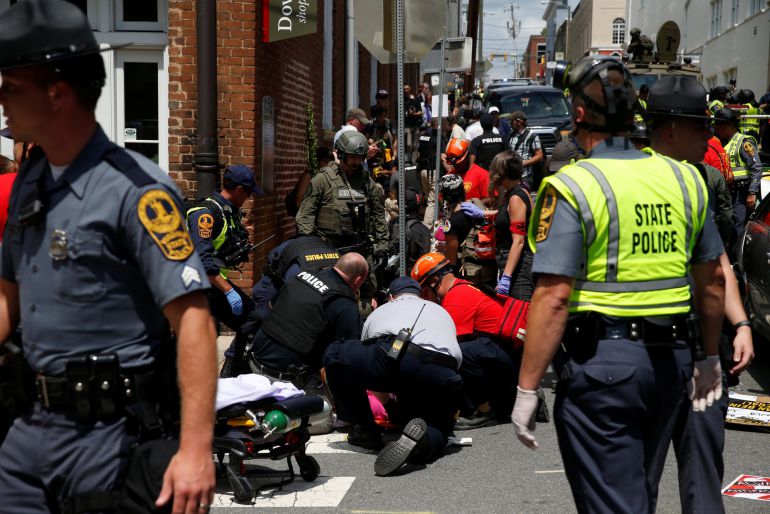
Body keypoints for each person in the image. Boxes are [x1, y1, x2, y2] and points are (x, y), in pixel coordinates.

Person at [0, 1, 217, 512]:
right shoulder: (33, 180)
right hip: (27, 428)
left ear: (57, 92)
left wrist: (195, 450)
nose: (1, 97)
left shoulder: (138, 193)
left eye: (12, 86)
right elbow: (7, 293)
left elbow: (194, 323)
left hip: (108, 439)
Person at [511, 56, 725, 513]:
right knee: (635, 494)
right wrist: (708, 358)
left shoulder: (572, 185)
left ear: (580, 113)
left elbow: (554, 297)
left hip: (605, 368)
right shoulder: (685, 177)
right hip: (674, 364)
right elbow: (713, 282)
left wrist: (527, 389)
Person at [645, 74, 754, 514]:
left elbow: (718, 263)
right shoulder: (641, 179)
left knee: (700, 472)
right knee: (647, 478)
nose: (710, 136)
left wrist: (741, 322)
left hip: (688, 346)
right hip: (656, 350)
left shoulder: (700, 180)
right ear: (670, 128)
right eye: (699, 127)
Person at [323, 276, 463, 476]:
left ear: (391, 297)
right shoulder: (441, 311)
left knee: (335, 355)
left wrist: (384, 401)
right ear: (420, 294)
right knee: (439, 424)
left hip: (396, 355)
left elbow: (369, 370)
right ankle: (421, 444)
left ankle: (366, 431)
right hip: (444, 370)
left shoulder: (381, 310)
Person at [411, 253, 548, 430]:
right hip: (511, 355)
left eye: (423, 291)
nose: (423, 297)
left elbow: (449, 347)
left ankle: (486, 410)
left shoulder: (456, 298)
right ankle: (517, 399)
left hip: (508, 358)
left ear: (435, 280)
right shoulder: (463, 286)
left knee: (459, 353)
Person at [296, 130, 388, 306]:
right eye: (353, 158)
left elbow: (378, 215)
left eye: (360, 158)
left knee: (367, 292)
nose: (357, 163)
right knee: (329, 292)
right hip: (330, 249)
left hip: (360, 248)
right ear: (342, 155)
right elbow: (305, 216)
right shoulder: (323, 180)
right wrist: (311, 248)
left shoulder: (366, 182)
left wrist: (382, 248)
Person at [186, 165, 262, 378]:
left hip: (211, 284)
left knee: (253, 318)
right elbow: (202, 261)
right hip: (195, 286)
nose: (249, 198)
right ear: (239, 189)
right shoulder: (206, 214)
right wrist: (229, 292)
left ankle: (232, 371)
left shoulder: (228, 210)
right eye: (248, 193)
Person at [248, 252, 367, 383]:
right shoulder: (345, 304)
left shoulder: (301, 275)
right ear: (358, 280)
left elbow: (272, 306)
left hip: (253, 359)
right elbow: (347, 356)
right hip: (286, 381)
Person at [250, 235, 339, 330]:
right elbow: (285, 300)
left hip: (313, 246)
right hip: (286, 254)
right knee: (262, 312)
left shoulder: (340, 272)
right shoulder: (297, 279)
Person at [713, 108, 763, 249]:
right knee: (730, 227)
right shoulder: (726, 142)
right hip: (730, 194)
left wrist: (752, 193)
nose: (716, 130)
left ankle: (738, 263)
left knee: (737, 228)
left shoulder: (743, 142)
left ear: (726, 125)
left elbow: (756, 167)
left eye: (718, 126)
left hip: (741, 194)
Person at [488, 151, 534, 300]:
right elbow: (509, 216)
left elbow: (519, 241)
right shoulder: (516, 192)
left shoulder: (516, 198)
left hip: (519, 267)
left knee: (520, 315)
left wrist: (506, 277)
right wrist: (483, 213)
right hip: (514, 264)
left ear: (502, 173)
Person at [438, 174, 497, 287]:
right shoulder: (477, 205)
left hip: (469, 278)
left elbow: (452, 260)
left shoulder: (452, 222)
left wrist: (443, 250)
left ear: (444, 197)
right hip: (489, 271)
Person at [388, 189, 432, 272]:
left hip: (392, 275)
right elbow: (426, 259)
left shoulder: (392, 224)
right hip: (413, 275)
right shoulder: (421, 230)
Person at [285, 146, 334, 218]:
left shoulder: (329, 177)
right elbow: (299, 202)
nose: (328, 165)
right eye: (324, 162)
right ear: (318, 162)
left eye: (330, 163)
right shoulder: (308, 176)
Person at [444, 137, 490, 205]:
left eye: (459, 163)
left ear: (467, 156)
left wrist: (469, 205)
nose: (455, 166)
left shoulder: (482, 175)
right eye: (453, 163)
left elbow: (491, 199)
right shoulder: (449, 177)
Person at [507, 111, 543, 189]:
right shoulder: (510, 135)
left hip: (525, 176)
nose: (510, 123)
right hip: (512, 175)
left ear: (519, 122)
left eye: (512, 120)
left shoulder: (532, 136)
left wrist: (524, 162)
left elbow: (539, 156)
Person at [404, 85, 424, 163]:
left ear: (410, 89)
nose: (406, 90)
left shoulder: (415, 100)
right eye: (404, 89)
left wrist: (413, 114)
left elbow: (420, 112)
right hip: (406, 126)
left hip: (415, 125)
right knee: (408, 144)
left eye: (407, 89)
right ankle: (409, 161)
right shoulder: (401, 101)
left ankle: (413, 161)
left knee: (415, 145)